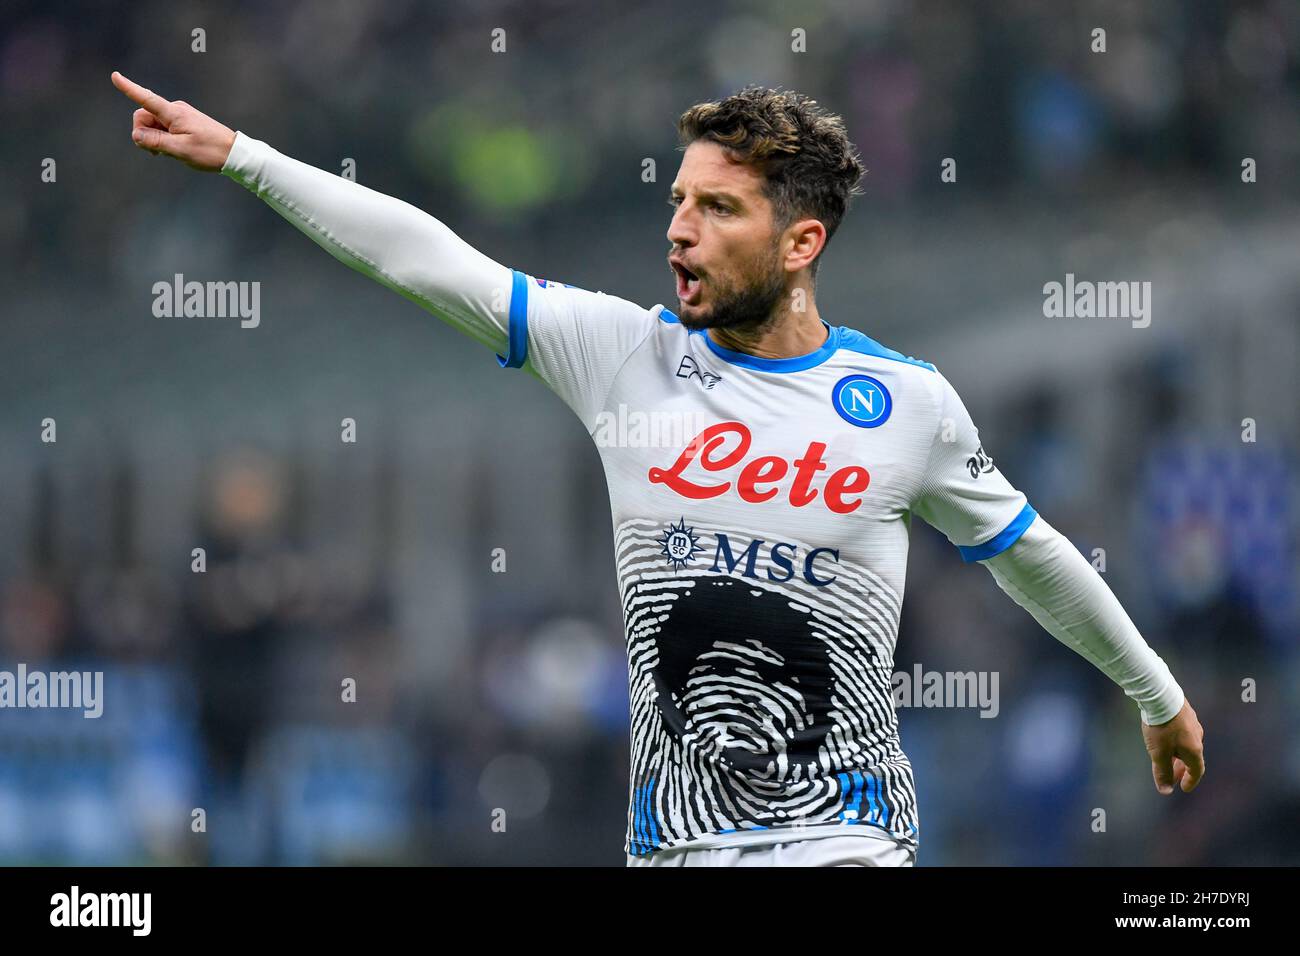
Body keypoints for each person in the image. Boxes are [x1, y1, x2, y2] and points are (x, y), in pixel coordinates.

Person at [110, 73, 1205, 867]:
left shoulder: (904, 404)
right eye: (677, 200)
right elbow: (426, 258)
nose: (677, 230)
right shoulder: (621, 355)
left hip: (846, 837)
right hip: (674, 845)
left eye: (717, 207)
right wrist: (245, 157)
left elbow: (1029, 554)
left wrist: (1154, 693)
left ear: (800, 242)